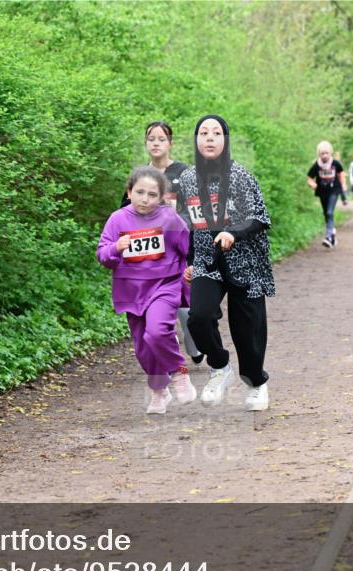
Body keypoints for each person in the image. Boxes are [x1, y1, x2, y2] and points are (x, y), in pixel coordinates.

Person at [178, 114, 274, 411]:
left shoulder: (241, 176)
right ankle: (219, 366)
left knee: (248, 332)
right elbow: (190, 224)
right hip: (208, 260)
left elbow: (259, 219)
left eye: (216, 133)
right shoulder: (188, 179)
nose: (209, 138)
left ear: (226, 140)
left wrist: (232, 233)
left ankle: (257, 383)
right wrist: (191, 259)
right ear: (196, 140)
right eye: (203, 133)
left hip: (246, 261)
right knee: (199, 318)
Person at [98, 166, 195, 414]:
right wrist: (116, 248)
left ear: (161, 197)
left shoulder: (169, 219)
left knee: (157, 332)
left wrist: (192, 271)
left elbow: (189, 249)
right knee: (143, 348)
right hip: (132, 291)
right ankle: (159, 389)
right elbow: (103, 256)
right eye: (140, 192)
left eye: (152, 194)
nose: (145, 199)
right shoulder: (117, 219)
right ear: (129, 192)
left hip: (165, 285)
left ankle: (179, 372)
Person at [120, 121, 204, 365]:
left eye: (161, 139)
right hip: (149, 254)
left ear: (170, 143)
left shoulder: (184, 173)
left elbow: (195, 210)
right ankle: (166, 352)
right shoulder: (139, 176)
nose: (156, 143)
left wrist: (176, 227)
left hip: (181, 249)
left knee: (187, 309)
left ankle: (194, 343)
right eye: (151, 139)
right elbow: (124, 210)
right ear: (146, 143)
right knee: (156, 307)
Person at [306, 140, 347, 248]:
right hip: (322, 191)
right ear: (319, 154)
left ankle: (328, 236)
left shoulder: (335, 163)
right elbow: (309, 178)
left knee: (329, 212)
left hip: (334, 190)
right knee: (326, 214)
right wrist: (312, 184)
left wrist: (344, 184)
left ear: (330, 153)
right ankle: (332, 234)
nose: (324, 156)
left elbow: (341, 173)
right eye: (322, 153)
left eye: (326, 153)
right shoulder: (317, 165)